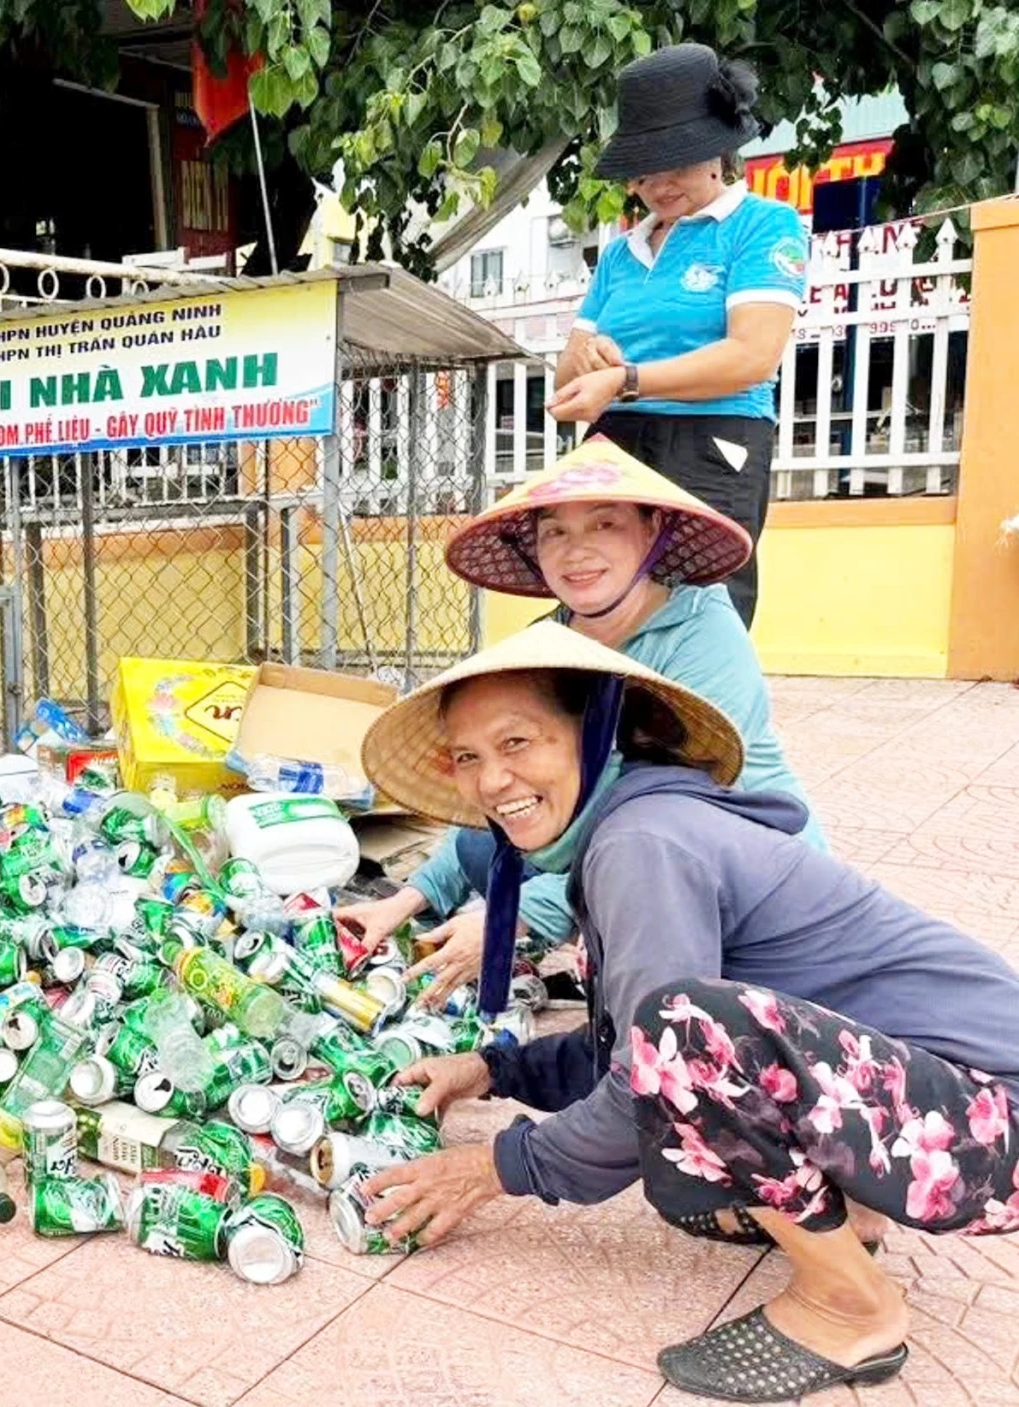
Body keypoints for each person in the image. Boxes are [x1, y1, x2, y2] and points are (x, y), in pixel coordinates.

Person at [356, 621, 1019, 1401]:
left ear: (596, 733)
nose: (495, 779)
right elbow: (625, 1039)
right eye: (469, 757)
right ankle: (858, 1220)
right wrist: (490, 1069)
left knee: (685, 1041)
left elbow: (655, 1060)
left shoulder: (644, 842)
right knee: (680, 1075)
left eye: (519, 742)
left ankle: (851, 1305)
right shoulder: (631, 827)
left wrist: (489, 1168)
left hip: (986, 1133)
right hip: (933, 1104)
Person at [335, 438, 823, 1005]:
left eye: (604, 525)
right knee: (484, 837)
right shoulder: (551, 642)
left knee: (675, 1010)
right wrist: (406, 900)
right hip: (616, 844)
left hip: (720, 863)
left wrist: (507, 924)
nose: (576, 552)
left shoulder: (704, 635)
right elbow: (503, 782)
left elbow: (657, 824)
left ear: (653, 530)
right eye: (554, 532)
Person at [545, 43, 809, 625]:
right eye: (644, 169)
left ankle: (697, 717)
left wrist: (628, 379)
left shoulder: (763, 226)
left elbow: (752, 356)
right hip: (616, 438)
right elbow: (566, 377)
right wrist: (594, 360)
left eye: (679, 163)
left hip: (714, 438)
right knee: (599, 602)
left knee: (700, 606)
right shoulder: (619, 254)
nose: (659, 185)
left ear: (718, 152)